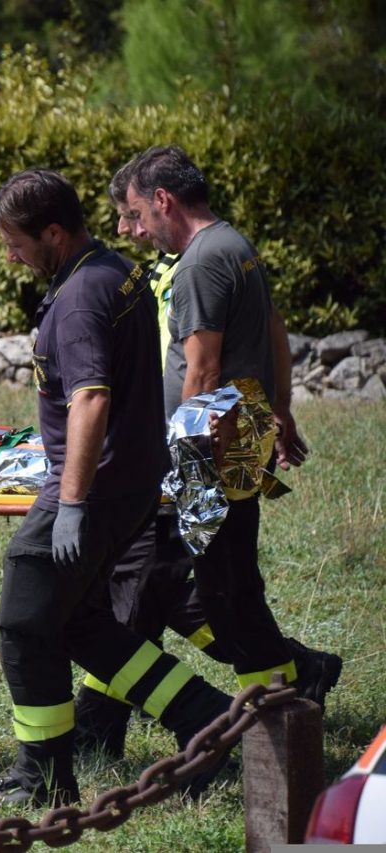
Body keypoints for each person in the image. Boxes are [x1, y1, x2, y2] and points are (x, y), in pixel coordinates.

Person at [0, 169, 232, 807]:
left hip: (95, 490)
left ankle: (43, 780)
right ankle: (210, 722)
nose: (10, 255)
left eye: (16, 242)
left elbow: (90, 398)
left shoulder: (82, 296)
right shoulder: (114, 271)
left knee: (26, 623)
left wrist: (72, 507)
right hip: (132, 484)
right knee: (82, 623)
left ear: (52, 232)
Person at [120, 144, 341, 706]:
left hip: (211, 449)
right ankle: (113, 714)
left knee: (224, 589)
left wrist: (182, 464)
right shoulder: (235, 244)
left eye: (140, 214)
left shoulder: (198, 263)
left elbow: (203, 369)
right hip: (239, 435)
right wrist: (280, 408)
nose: (138, 229)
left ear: (163, 200)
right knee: (191, 578)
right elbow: (273, 333)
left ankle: (276, 706)